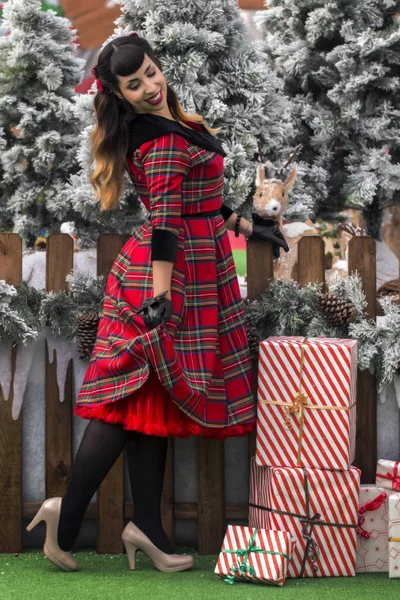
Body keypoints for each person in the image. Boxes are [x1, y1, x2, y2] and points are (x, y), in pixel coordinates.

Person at [26, 33, 288, 574]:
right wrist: (162, 297)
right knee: (132, 395)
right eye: (134, 83)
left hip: (188, 268)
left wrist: (247, 225)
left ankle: (142, 524)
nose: (149, 86)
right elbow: (166, 220)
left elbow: (202, 203)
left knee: (152, 400)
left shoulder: (178, 125)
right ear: (118, 94)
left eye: (150, 72)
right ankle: (69, 516)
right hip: (165, 278)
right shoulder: (161, 140)